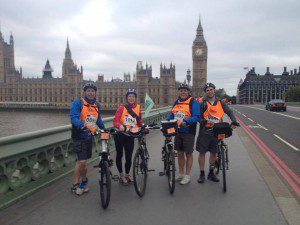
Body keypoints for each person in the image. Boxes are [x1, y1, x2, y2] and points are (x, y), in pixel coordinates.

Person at [196, 83, 239, 183]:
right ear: (205, 92)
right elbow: (199, 116)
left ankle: (211, 173)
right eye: (207, 90)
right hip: (205, 130)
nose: (210, 91)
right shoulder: (202, 103)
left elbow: (229, 112)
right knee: (202, 152)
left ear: (214, 90)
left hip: (218, 130)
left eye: (211, 89)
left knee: (213, 152)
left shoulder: (220, 102)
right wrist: (203, 121)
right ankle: (202, 174)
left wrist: (234, 120)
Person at [70, 82, 105, 195]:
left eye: (92, 91)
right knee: (82, 161)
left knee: (82, 162)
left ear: (95, 93)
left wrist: (104, 128)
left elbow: (97, 119)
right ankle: (79, 183)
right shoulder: (78, 103)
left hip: (89, 136)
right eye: (88, 91)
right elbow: (73, 118)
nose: (91, 93)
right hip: (79, 135)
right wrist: (82, 126)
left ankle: (79, 183)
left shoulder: (97, 105)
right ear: (85, 92)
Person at [166, 84, 200, 185]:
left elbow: (197, 117)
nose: (183, 92)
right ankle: (181, 173)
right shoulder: (177, 102)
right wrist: (166, 121)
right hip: (178, 131)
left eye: (185, 90)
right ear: (179, 92)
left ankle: (187, 175)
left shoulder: (193, 102)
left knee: (188, 153)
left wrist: (187, 120)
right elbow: (172, 114)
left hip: (188, 131)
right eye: (181, 91)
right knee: (180, 153)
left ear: (188, 92)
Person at [113, 89, 143, 185]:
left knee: (129, 156)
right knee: (119, 155)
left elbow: (138, 122)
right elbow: (115, 121)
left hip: (130, 135)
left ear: (135, 98)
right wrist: (119, 126)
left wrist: (143, 127)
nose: (131, 98)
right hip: (120, 135)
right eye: (129, 96)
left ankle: (127, 174)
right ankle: (121, 175)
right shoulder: (122, 108)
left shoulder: (138, 108)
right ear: (127, 98)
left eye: (133, 96)